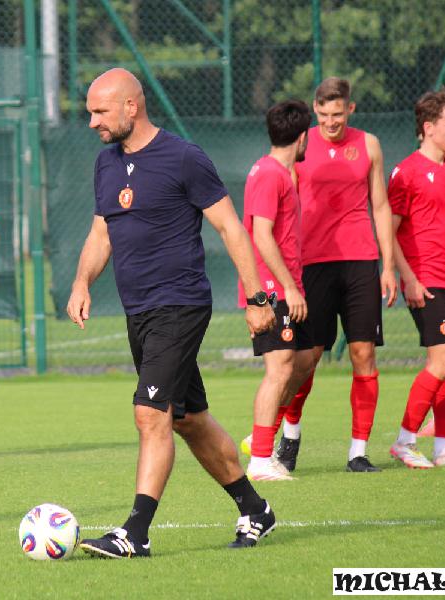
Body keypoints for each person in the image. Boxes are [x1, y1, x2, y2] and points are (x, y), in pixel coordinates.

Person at [67, 68, 276, 558]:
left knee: (150, 413)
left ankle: (135, 533)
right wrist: (81, 282)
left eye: (100, 112)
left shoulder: (184, 157)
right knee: (189, 419)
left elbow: (230, 228)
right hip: (138, 310)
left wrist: (256, 300)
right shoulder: (106, 163)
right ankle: (255, 510)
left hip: (180, 304)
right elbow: (101, 233)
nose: (93, 122)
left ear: (131, 107)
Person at [280, 77, 398, 473]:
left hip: (361, 261)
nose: (331, 122)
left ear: (350, 109)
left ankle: (357, 452)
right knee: (307, 358)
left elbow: (380, 206)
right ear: (315, 110)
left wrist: (388, 266)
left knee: (363, 353)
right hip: (313, 263)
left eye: (338, 114)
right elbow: (287, 206)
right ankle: (290, 436)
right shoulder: (300, 144)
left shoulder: (369, 144)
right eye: (324, 114)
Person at [238, 100, 315, 481]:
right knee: (279, 368)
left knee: (300, 362)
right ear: (301, 138)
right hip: (271, 290)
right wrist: (287, 287)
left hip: (283, 287)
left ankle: (261, 441)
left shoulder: (279, 172)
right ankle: (260, 459)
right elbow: (262, 235)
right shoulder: (270, 174)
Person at [387, 90, 445, 468]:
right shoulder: (406, 172)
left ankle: (444, 448)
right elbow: (390, 232)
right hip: (428, 280)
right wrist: (408, 278)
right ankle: (405, 441)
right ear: (429, 128)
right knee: (444, 357)